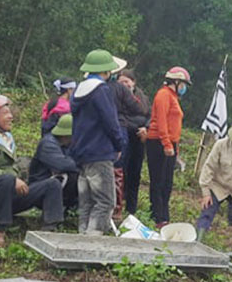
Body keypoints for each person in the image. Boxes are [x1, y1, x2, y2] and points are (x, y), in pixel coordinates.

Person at [0, 95, 63, 248]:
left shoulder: (6, 138)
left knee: (52, 185)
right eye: (5, 113)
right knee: (6, 180)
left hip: (9, 195)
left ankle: (50, 231)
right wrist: (11, 179)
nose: (11, 116)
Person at [71, 50, 126, 235]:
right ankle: (92, 240)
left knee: (86, 201)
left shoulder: (78, 90)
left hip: (81, 153)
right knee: (105, 201)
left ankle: (82, 236)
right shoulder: (101, 90)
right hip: (99, 152)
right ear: (106, 71)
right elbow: (110, 121)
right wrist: (119, 145)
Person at [146, 66, 190, 227]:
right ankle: (157, 216)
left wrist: (174, 146)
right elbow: (162, 121)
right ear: (176, 81)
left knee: (167, 182)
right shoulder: (163, 95)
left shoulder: (173, 97)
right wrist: (166, 143)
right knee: (158, 181)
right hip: (158, 142)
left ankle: (164, 215)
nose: (184, 88)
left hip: (170, 143)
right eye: (183, 84)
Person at [113, 67, 151, 218]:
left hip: (139, 138)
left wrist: (146, 128)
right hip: (124, 135)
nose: (124, 85)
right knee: (121, 171)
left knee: (135, 173)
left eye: (127, 82)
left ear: (133, 82)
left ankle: (132, 208)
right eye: (121, 82)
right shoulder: (116, 96)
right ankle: (118, 205)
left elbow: (149, 115)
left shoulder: (143, 97)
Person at [29, 113, 79, 209]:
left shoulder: (67, 145)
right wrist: (83, 163)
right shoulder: (48, 144)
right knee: (74, 176)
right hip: (41, 188)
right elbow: (63, 165)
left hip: (56, 185)